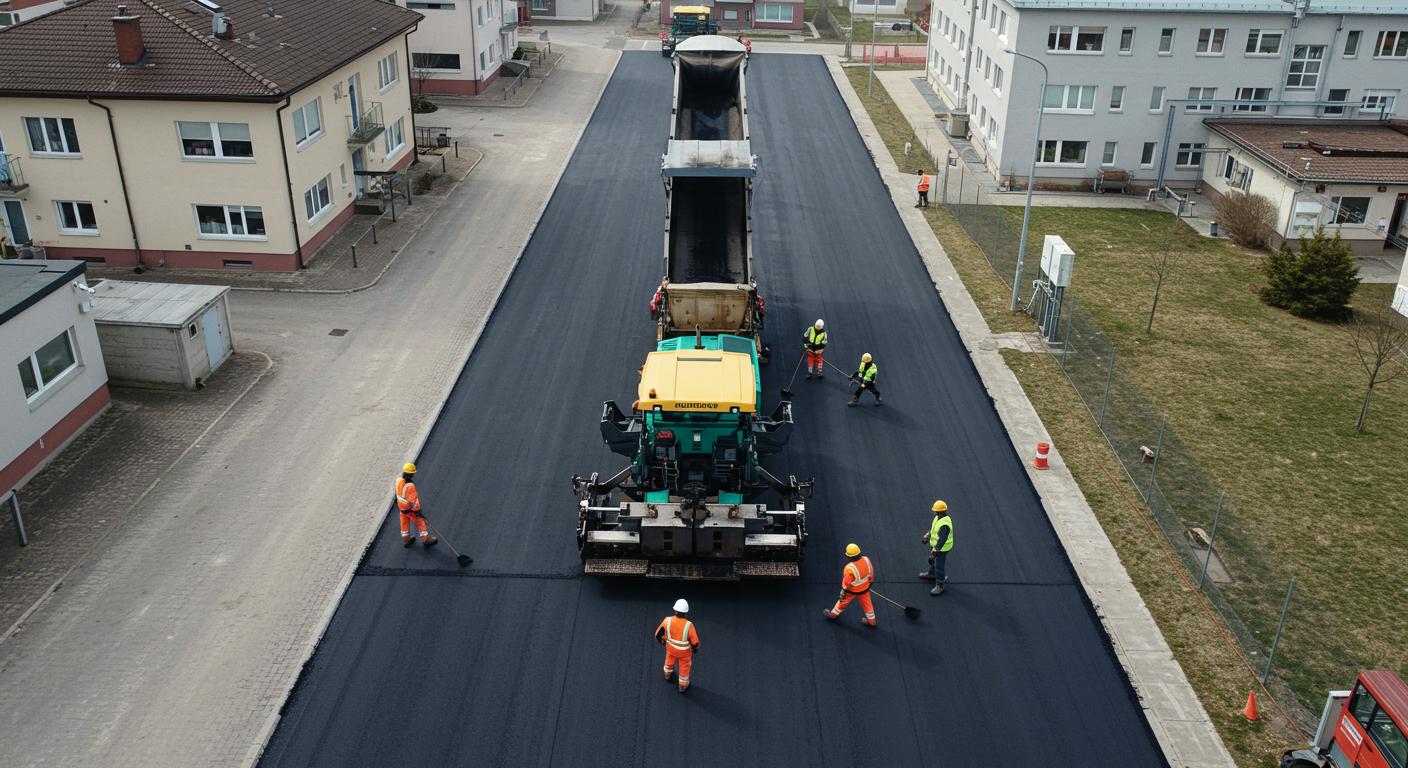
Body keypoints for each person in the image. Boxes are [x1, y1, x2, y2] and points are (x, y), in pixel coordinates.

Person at [823, 543, 876, 627]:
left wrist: (843, 591)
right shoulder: (866, 559)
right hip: (865, 589)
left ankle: (833, 615)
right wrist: (870, 584)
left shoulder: (850, 568)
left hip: (852, 591)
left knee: (842, 602)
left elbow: (846, 583)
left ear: (850, 556)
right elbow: (871, 573)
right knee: (868, 605)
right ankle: (872, 621)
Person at [655, 598, 699, 693]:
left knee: (669, 660)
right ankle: (683, 686)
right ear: (686, 613)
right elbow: (695, 642)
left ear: (675, 610)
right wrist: (695, 649)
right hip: (684, 653)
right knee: (684, 666)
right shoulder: (689, 625)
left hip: (670, 648)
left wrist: (662, 642)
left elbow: (658, 634)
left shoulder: (667, 621)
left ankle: (667, 674)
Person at [394, 463, 437, 547]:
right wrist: (418, 512)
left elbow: (398, 495)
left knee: (404, 524)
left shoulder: (398, 480)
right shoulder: (410, 486)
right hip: (410, 509)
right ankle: (426, 539)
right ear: (411, 474)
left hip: (402, 509)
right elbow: (413, 502)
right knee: (420, 522)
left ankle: (406, 539)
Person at [919, 500, 953, 595]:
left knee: (939, 565)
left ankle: (940, 585)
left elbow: (942, 540)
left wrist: (934, 552)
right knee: (933, 561)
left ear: (940, 511)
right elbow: (934, 529)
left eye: (935, 510)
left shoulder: (945, 525)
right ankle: (932, 574)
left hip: (942, 548)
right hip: (936, 545)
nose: (934, 511)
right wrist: (927, 535)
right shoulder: (938, 518)